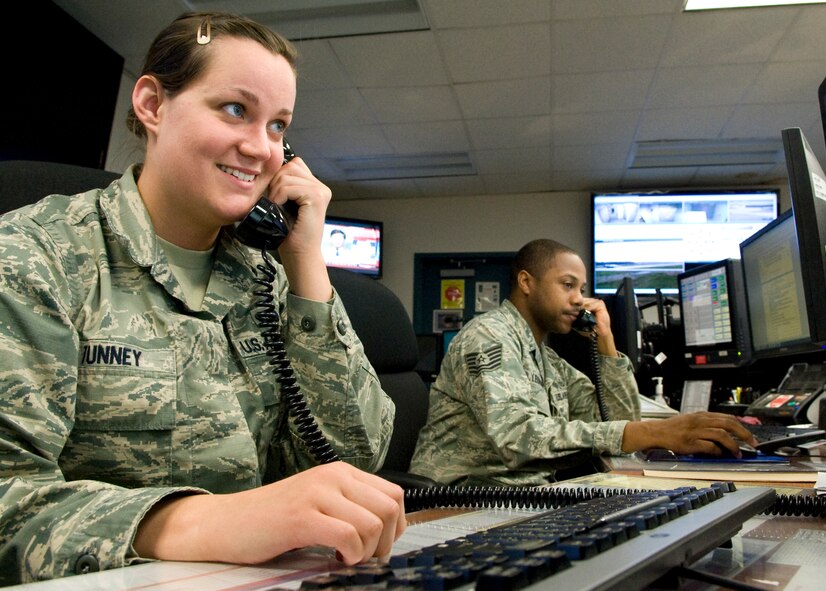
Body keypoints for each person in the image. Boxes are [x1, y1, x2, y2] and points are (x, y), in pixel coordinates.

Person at [0, 12, 405, 585]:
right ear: (152, 105)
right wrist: (200, 522)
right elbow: (7, 499)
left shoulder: (270, 278)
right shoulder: (36, 257)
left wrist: (307, 264)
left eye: (278, 127)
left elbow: (358, 458)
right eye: (236, 110)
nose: (261, 148)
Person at [409, 238, 758, 487]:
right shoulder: (489, 337)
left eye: (583, 288)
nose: (579, 299)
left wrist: (605, 341)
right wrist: (654, 432)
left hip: (520, 493)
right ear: (526, 282)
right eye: (567, 285)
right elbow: (517, 440)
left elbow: (620, 421)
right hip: (463, 497)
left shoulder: (546, 357)